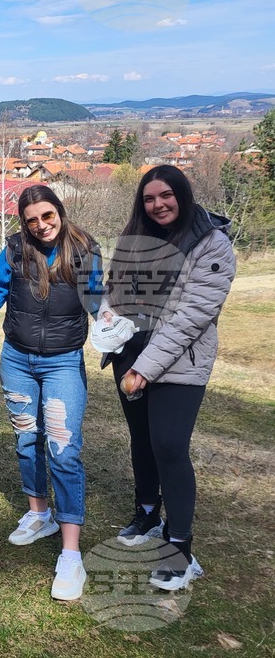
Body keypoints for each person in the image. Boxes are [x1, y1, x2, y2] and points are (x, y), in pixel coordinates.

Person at [0, 186, 101, 600]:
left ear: (60, 212)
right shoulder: (15, 251)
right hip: (16, 360)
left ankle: (71, 555)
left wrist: (114, 321)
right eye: (32, 220)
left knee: (63, 450)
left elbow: (98, 304)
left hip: (63, 362)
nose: (41, 225)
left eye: (47, 216)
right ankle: (39, 514)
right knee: (27, 439)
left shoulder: (85, 250)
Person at [103, 165, 235, 591]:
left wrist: (146, 367)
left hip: (179, 363)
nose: (157, 205)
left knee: (169, 446)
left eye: (165, 195)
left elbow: (192, 317)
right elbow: (112, 289)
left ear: (183, 194)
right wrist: (107, 320)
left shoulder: (211, 244)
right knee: (142, 439)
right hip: (129, 355)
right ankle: (147, 512)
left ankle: (180, 549)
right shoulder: (136, 237)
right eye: (149, 198)